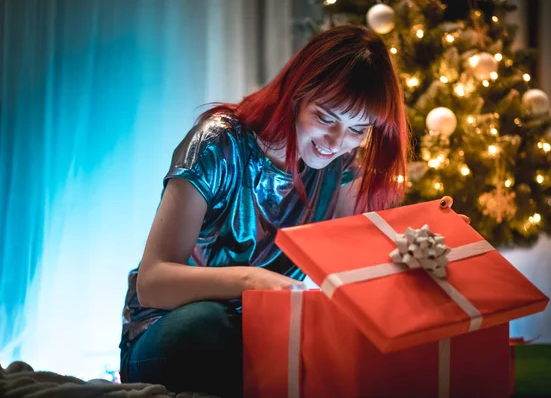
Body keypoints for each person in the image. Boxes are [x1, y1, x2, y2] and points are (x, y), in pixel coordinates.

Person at [118, 24, 410, 397]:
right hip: (172, 332)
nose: (338, 142)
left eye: (359, 129)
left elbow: (356, 275)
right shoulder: (218, 143)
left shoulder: (344, 167)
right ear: (295, 95)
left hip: (269, 336)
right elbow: (152, 283)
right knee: (209, 326)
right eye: (325, 117)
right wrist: (252, 282)